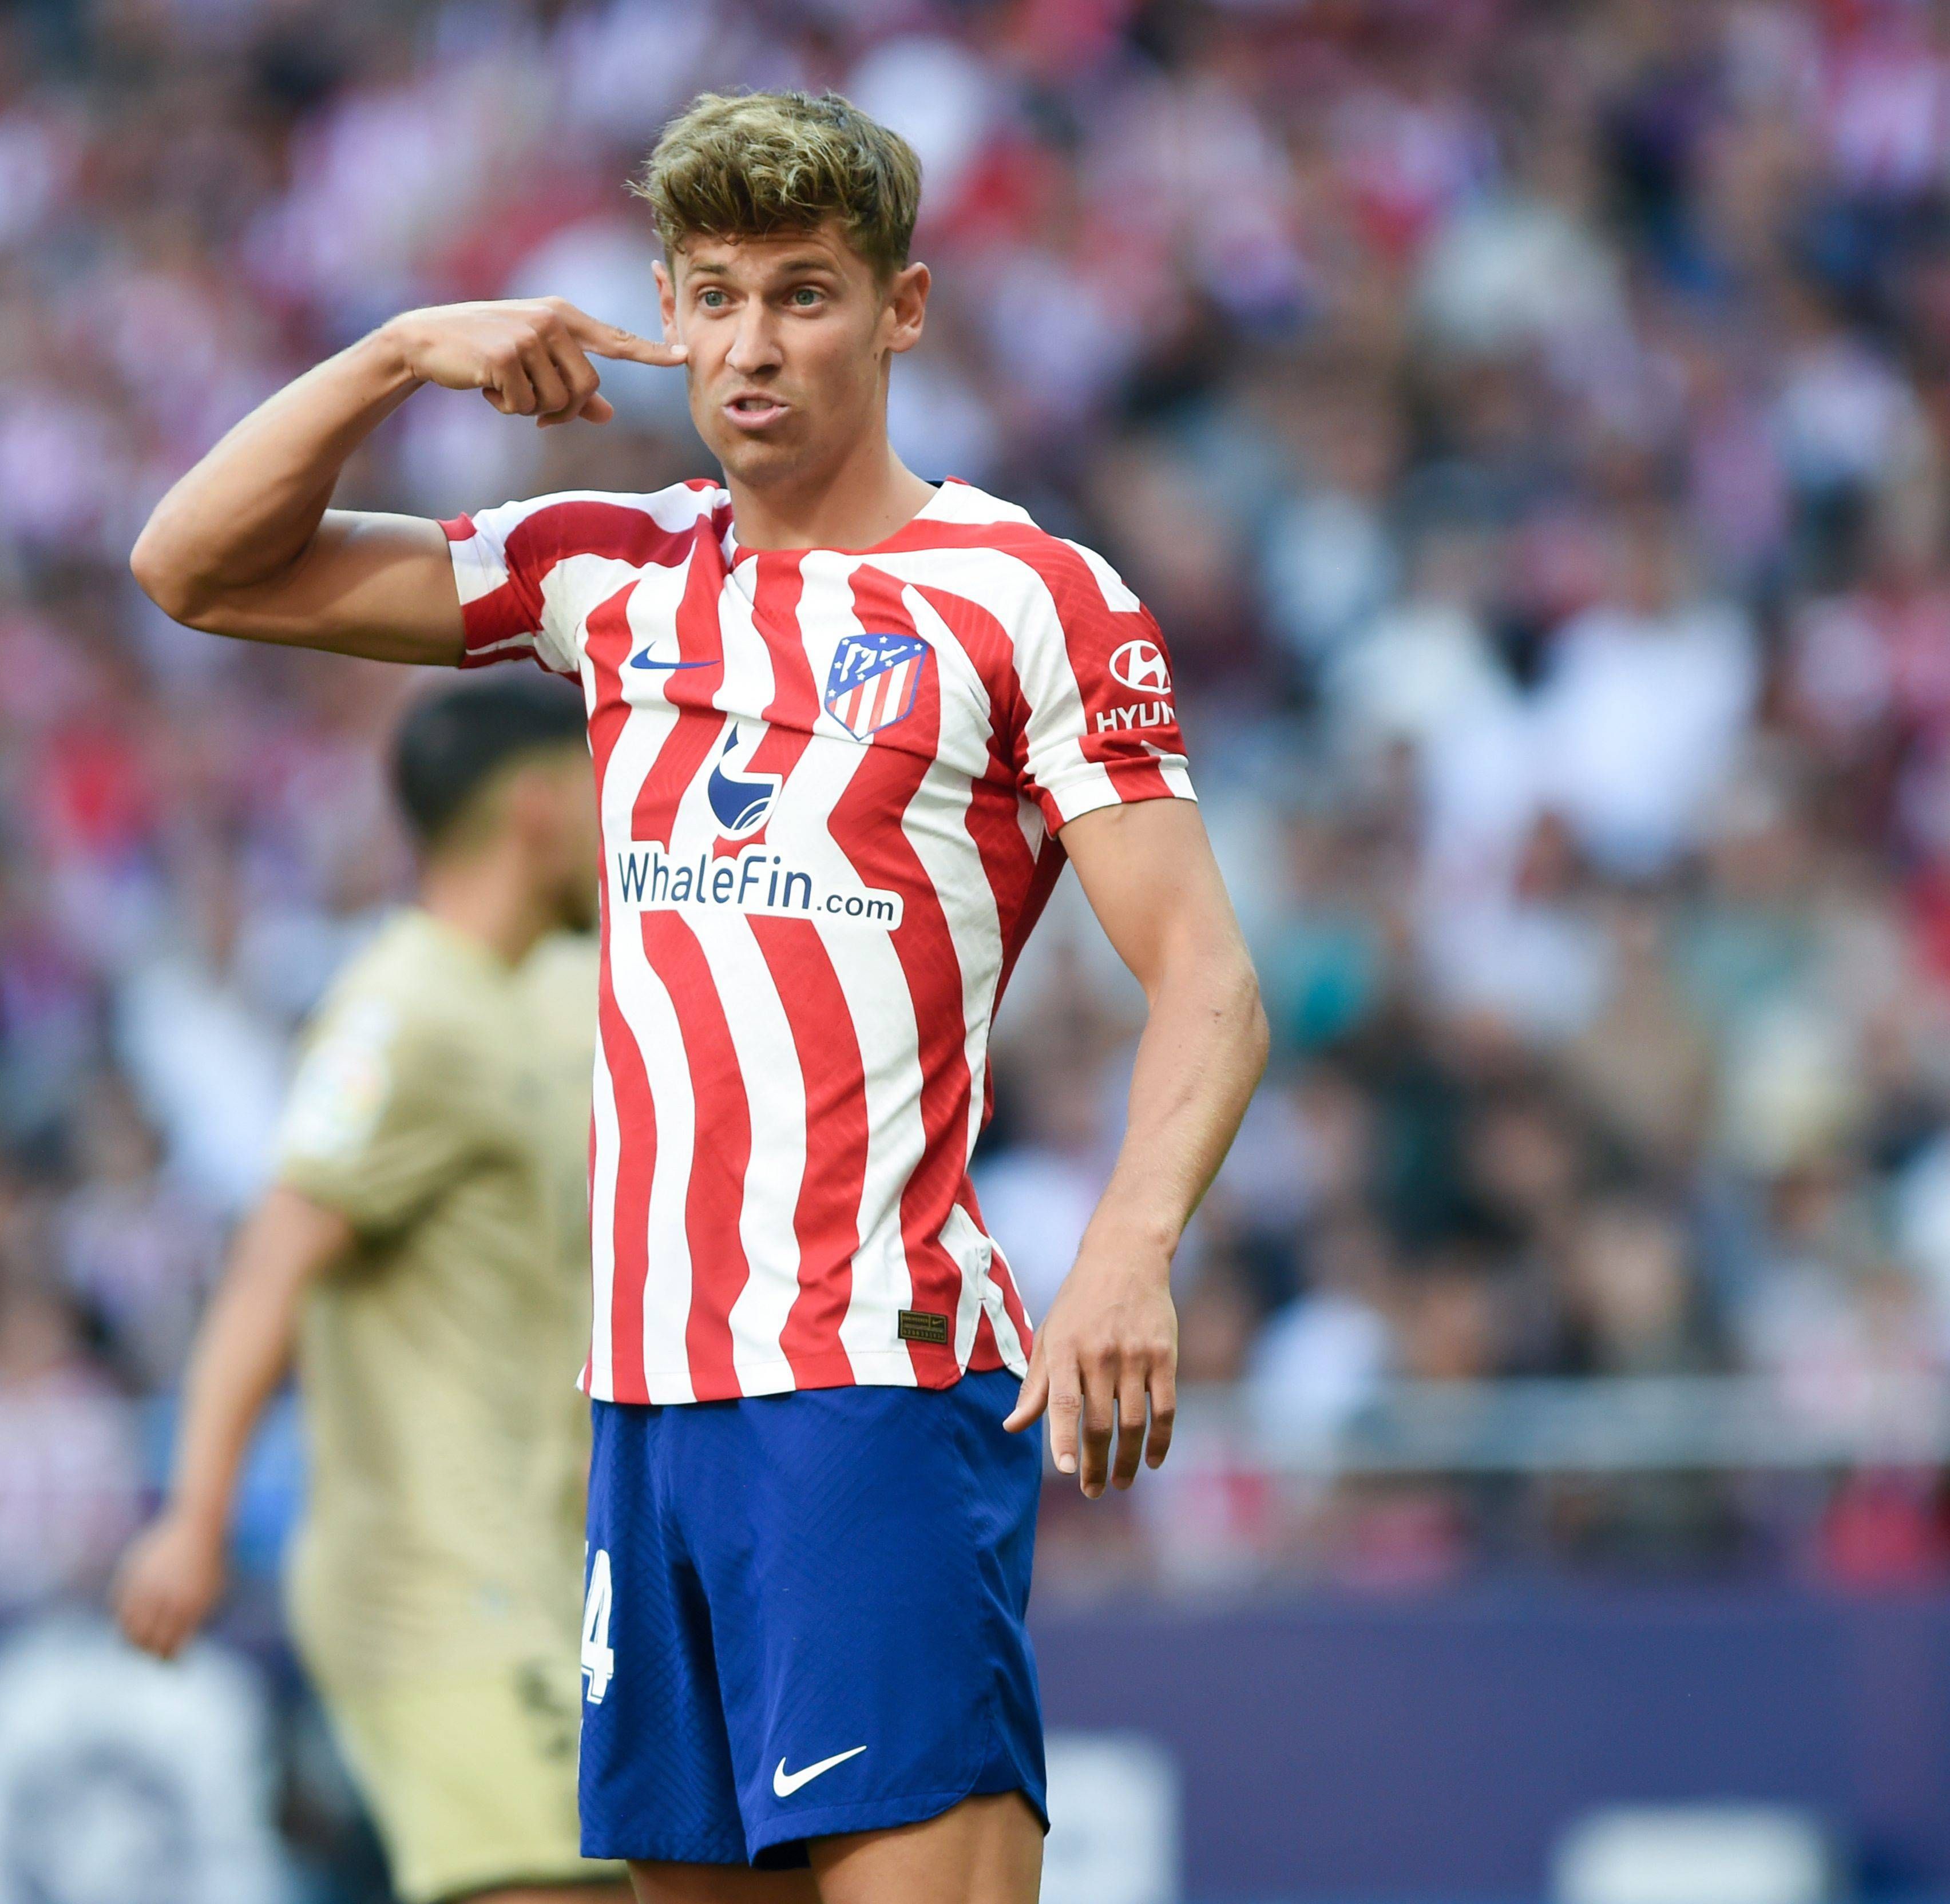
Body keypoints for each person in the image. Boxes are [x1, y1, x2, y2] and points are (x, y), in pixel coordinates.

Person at [126, 89, 1270, 1904]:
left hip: (871, 1388)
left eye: (805, 294)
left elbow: (1208, 975)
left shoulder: (1024, 597)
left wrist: (1128, 1251)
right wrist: (402, 352)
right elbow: (192, 566)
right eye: (716, 297)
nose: (751, 346)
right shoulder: (613, 568)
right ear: (663, 309)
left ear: (900, 309)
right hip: (649, 1414)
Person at [113, 679, 620, 1904]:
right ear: (540, 809)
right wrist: (196, 1515)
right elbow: (271, 1262)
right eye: (604, 793)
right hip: (438, 1586)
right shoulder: (405, 1012)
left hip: (549, 1566)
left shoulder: (543, 991)